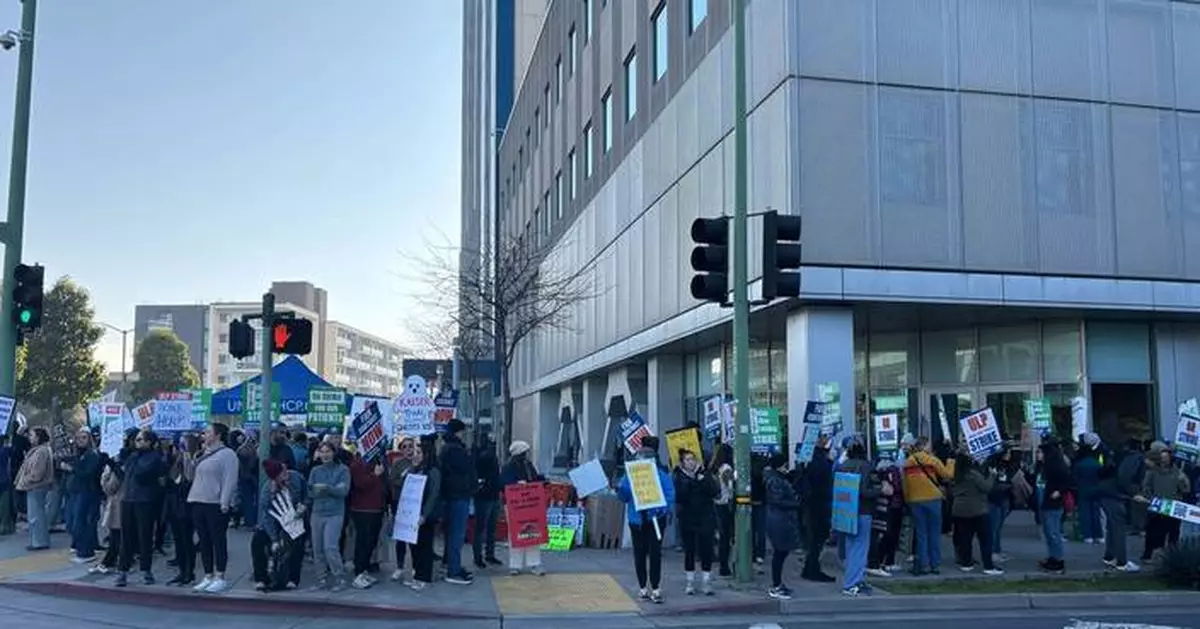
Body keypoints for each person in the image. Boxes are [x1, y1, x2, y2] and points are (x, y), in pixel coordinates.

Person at [617, 435, 675, 604]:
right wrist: (620, 490)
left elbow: (669, 496)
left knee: (655, 553)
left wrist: (660, 509)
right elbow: (625, 496)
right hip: (637, 520)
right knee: (639, 554)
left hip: (656, 519)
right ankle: (643, 587)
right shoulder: (630, 475)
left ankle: (655, 588)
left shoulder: (662, 475)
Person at [186, 422, 238, 593]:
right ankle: (208, 575)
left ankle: (220, 575)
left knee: (218, 540)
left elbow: (230, 479)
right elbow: (190, 475)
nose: (204, 435)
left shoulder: (227, 454)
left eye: (208, 432)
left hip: (215, 503)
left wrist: (225, 502)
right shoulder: (203, 453)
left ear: (218, 435)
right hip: (198, 500)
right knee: (204, 540)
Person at [116, 430, 167, 587]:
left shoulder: (154, 458)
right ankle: (122, 570)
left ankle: (146, 570)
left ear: (149, 442)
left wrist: (129, 458)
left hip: (144, 501)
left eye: (140, 440)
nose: (137, 443)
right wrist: (115, 463)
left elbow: (141, 475)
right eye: (136, 440)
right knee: (126, 537)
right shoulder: (133, 456)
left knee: (144, 536)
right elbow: (124, 476)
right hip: (128, 499)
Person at [838, 436, 885, 596]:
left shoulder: (843, 466)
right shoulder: (866, 466)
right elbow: (866, 491)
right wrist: (880, 490)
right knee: (860, 548)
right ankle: (852, 583)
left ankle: (854, 580)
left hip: (845, 511)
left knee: (851, 547)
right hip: (863, 511)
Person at [252, 459, 306, 591]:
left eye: (285, 469)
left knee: (297, 544)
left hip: (295, 518)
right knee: (257, 542)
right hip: (275, 520)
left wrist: (304, 506)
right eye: (282, 473)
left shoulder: (296, 478)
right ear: (275, 477)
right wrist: (274, 539)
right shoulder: (267, 491)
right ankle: (261, 578)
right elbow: (267, 517)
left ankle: (293, 578)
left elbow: (306, 494)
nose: (286, 473)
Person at [902, 437, 953, 576]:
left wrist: (908, 500)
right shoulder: (932, 460)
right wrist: (950, 461)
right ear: (924, 446)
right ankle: (935, 565)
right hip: (933, 499)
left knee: (921, 534)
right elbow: (948, 475)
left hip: (915, 501)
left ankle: (923, 565)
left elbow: (905, 486)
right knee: (935, 533)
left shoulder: (907, 463)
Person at [1091, 432, 1141, 572]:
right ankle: (1121, 562)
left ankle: (1110, 556)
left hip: (1105, 490)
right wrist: (1133, 493)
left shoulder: (1116, 454)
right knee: (1118, 527)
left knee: (1112, 526)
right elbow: (1125, 478)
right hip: (1115, 494)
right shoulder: (1134, 458)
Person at [672, 448, 718, 596]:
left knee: (706, 550)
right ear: (682, 463)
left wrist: (702, 478)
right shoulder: (679, 476)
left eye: (693, 459)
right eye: (687, 460)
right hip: (687, 518)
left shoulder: (704, 474)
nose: (691, 462)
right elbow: (680, 496)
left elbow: (714, 491)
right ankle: (690, 582)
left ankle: (706, 581)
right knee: (689, 550)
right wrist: (692, 482)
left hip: (706, 517)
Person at [951, 450, 1003, 576]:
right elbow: (986, 487)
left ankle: (966, 563)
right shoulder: (973, 474)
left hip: (959, 509)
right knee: (986, 538)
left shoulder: (956, 475)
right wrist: (992, 475)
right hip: (977, 509)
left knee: (965, 537)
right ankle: (988, 566)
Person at [308, 441, 350, 591]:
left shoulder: (342, 470)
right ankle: (322, 578)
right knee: (317, 548)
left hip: (335, 513)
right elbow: (310, 491)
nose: (325, 455)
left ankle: (339, 577)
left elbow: (343, 491)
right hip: (317, 512)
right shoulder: (315, 471)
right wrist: (318, 491)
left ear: (334, 453)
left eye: (328, 451)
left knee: (330, 547)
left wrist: (328, 489)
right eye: (322, 451)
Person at [500, 440, 546, 576]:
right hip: (514, 506)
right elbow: (502, 483)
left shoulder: (528, 465)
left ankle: (535, 563)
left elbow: (535, 478)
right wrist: (516, 483)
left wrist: (542, 480)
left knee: (533, 532)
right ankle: (515, 565)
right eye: (524, 452)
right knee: (515, 534)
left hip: (530, 505)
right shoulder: (508, 467)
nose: (526, 455)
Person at [439, 419, 475, 585]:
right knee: (456, 535)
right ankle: (453, 570)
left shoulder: (447, 448)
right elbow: (466, 468)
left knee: (453, 534)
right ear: (457, 432)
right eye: (462, 432)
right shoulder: (455, 450)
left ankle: (452, 565)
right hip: (458, 495)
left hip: (452, 495)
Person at [1140, 442, 1190, 563]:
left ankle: (1173, 557)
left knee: (1173, 534)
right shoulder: (1152, 472)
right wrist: (1152, 499)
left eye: (1167, 458)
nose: (1164, 460)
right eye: (1162, 458)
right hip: (1158, 506)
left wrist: (1183, 481)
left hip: (1174, 507)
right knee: (1154, 533)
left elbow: (1186, 490)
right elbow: (1146, 488)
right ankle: (1150, 555)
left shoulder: (1177, 472)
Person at [347, 450, 387, 590]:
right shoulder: (357, 464)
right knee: (362, 541)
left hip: (377, 508)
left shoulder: (379, 461)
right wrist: (375, 475)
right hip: (362, 509)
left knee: (371, 542)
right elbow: (359, 484)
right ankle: (358, 572)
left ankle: (364, 569)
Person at [763, 452, 800, 600]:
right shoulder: (776, 480)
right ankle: (776, 585)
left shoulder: (773, 478)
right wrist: (796, 504)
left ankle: (778, 584)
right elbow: (777, 500)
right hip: (780, 519)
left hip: (778, 518)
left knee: (781, 553)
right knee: (780, 553)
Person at [406, 439, 442, 591]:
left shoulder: (433, 472)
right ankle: (417, 574)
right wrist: (413, 469)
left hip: (425, 516)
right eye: (415, 453)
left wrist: (424, 515)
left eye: (419, 453)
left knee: (424, 546)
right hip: (412, 512)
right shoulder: (416, 469)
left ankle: (424, 577)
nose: (415, 455)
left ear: (427, 454)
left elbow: (433, 496)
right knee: (414, 545)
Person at [798, 436, 835, 583]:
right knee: (817, 538)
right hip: (819, 503)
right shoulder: (820, 460)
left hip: (811, 503)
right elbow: (822, 481)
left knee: (814, 538)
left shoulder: (808, 458)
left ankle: (810, 568)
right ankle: (812, 569)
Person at [64, 428, 103, 564]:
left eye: (84, 437)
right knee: (73, 522)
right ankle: (82, 546)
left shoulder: (92, 455)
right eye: (78, 438)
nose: (80, 440)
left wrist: (72, 469)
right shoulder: (79, 454)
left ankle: (86, 552)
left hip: (87, 492)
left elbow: (88, 474)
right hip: (76, 491)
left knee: (82, 522)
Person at [165, 434, 199, 586]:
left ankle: (189, 572)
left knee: (186, 540)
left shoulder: (195, 460)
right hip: (174, 504)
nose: (181, 447)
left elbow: (191, 479)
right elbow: (170, 479)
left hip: (188, 505)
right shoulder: (175, 460)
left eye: (184, 444)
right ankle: (181, 569)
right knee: (178, 540)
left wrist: (188, 459)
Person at [14, 427, 54, 551]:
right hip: (35, 486)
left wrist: (27, 479)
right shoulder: (39, 450)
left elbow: (38, 472)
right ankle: (37, 540)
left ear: (38, 437)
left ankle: (39, 541)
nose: (29, 438)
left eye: (32, 435)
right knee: (35, 515)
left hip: (37, 486)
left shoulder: (41, 451)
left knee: (36, 515)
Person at [1037, 438, 1071, 574]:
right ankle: (1053, 557)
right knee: (1048, 532)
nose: (1038, 455)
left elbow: (1068, 481)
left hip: (1053, 503)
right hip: (1046, 501)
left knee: (1053, 532)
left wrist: (1059, 491)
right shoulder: (1045, 466)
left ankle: (1058, 560)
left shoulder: (1057, 466)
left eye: (1040, 452)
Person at [472, 432, 502, 570]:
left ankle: (486, 555)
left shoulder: (483, 455)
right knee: (484, 527)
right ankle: (481, 556)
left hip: (490, 494)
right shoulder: (483, 456)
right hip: (486, 495)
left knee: (488, 528)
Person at [389, 436, 417, 582]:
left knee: (413, 538)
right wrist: (405, 479)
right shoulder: (397, 464)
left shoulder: (418, 462)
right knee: (400, 537)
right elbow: (392, 481)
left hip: (414, 504)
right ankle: (399, 567)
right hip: (400, 502)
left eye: (410, 446)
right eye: (405, 447)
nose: (408, 450)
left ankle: (415, 566)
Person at [709, 444, 735, 577]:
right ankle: (725, 566)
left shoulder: (715, 467)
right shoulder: (727, 468)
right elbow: (730, 488)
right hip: (726, 504)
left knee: (723, 536)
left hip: (716, 503)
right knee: (727, 537)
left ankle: (723, 564)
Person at [987, 448, 1017, 562]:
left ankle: (997, 550)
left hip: (1004, 498)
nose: (1009, 455)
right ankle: (993, 552)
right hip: (994, 499)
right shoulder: (992, 466)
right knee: (994, 527)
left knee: (998, 527)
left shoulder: (1008, 466)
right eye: (1007, 453)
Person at [0, 435, 14, 536]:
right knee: (5, 504)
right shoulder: (4, 451)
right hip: (4, 480)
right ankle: (5, 526)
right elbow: (12, 449)